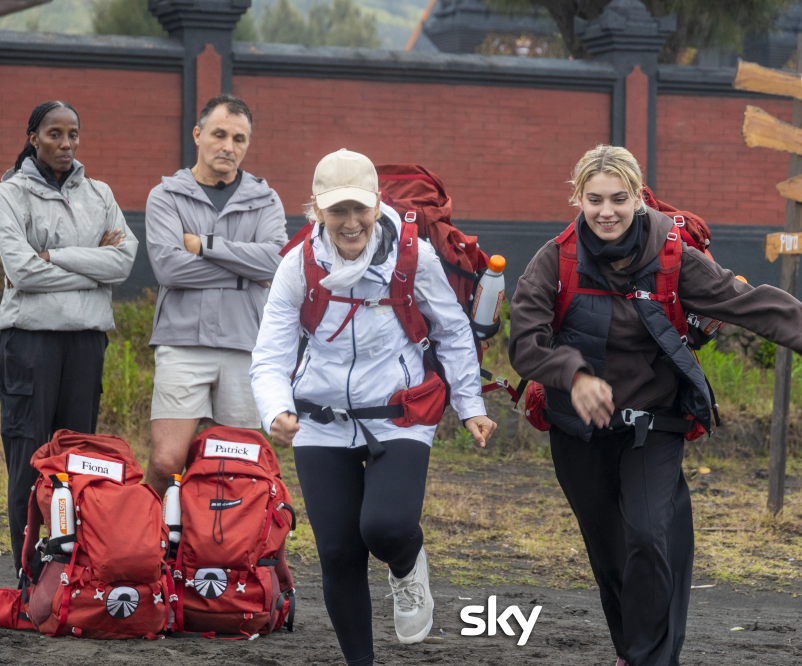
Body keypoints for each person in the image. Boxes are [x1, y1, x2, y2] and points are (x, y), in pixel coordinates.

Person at [509, 145, 802, 666]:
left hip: (654, 423)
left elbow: (749, 302)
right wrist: (574, 375)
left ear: (637, 199)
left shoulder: (672, 255)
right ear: (578, 198)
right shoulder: (553, 261)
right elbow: (526, 344)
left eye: (619, 199)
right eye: (595, 199)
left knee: (650, 538)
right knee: (611, 555)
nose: (607, 211)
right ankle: (633, 652)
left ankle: (650, 659)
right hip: (578, 429)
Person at [250, 149, 496, 665]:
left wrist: (469, 405)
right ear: (315, 211)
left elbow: (451, 331)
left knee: (384, 529)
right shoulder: (299, 264)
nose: (350, 222)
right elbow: (271, 351)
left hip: (398, 411)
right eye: (336, 211)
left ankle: (408, 567)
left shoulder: (412, 257)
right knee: (338, 553)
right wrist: (275, 409)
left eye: (359, 209)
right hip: (320, 418)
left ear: (377, 203)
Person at [0, 101, 137, 572]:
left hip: (85, 344)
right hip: (29, 344)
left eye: (72, 134)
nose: (65, 143)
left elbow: (122, 264)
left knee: (78, 456)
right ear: (33, 137)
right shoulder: (10, 195)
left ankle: (70, 566)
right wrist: (89, 266)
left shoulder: (99, 193)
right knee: (30, 454)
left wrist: (54, 257)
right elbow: (20, 270)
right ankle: (28, 570)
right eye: (54, 134)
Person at [144, 93, 287, 496]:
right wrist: (244, 275)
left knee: (236, 464)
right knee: (166, 461)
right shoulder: (166, 196)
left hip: (244, 344)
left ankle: (221, 551)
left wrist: (205, 245)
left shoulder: (265, 198)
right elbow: (169, 268)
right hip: (182, 342)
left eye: (239, 139)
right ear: (198, 134)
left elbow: (275, 263)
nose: (229, 146)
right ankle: (148, 545)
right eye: (219, 134)